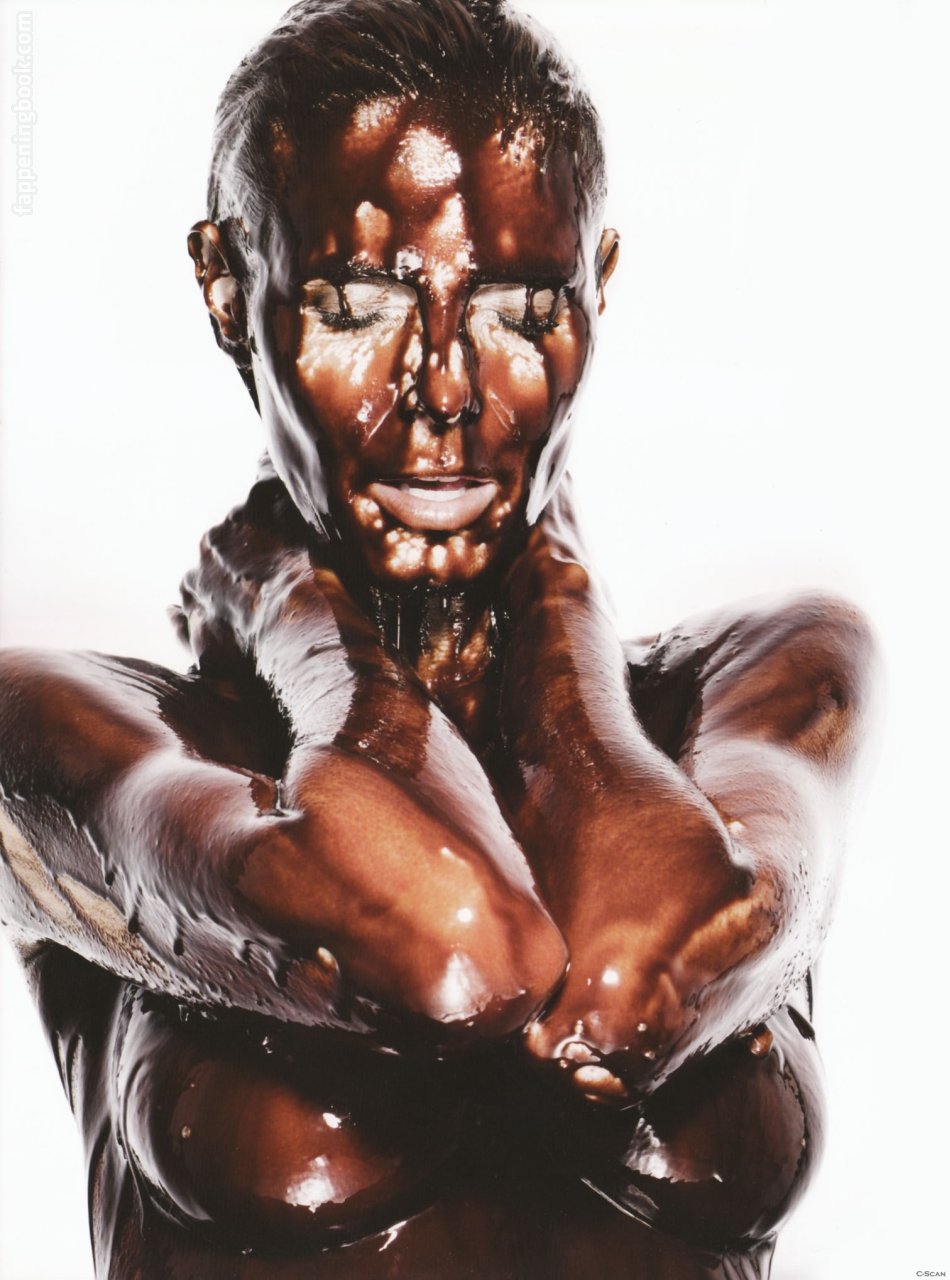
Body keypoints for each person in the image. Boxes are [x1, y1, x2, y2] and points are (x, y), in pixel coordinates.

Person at [0, 1, 875, 1276]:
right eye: (358, 308)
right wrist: (300, 618)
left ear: (597, 290)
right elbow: (455, 952)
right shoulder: (77, 737)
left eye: (520, 313)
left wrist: (560, 602)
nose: (448, 397)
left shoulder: (757, 683)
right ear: (226, 289)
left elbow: (623, 988)